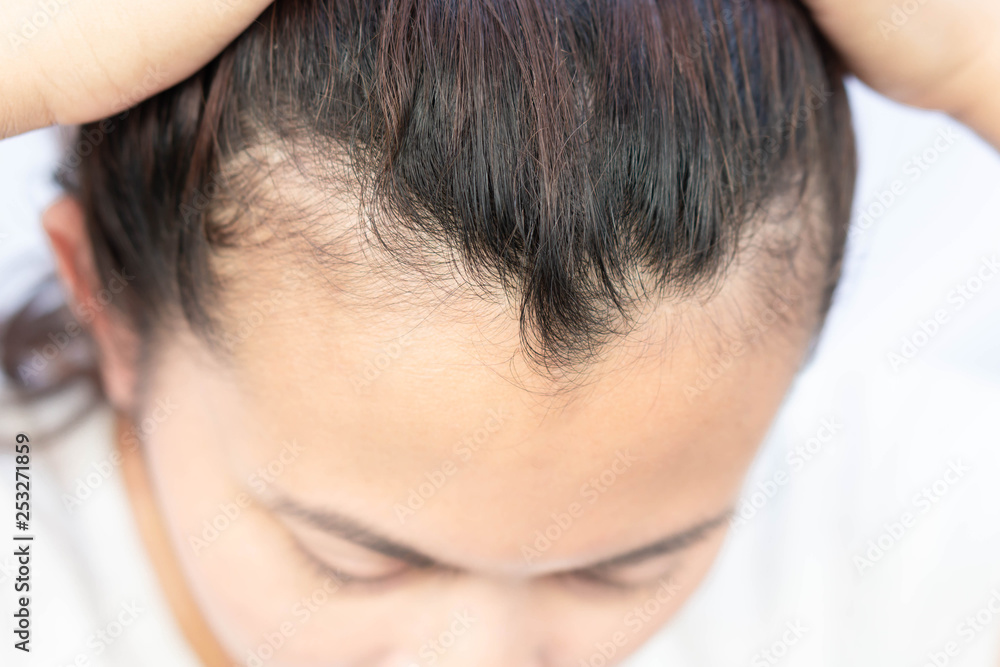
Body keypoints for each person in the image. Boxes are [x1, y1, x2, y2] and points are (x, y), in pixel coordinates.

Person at [0, 1, 998, 666]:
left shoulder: (885, 524)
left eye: (618, 568)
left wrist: (976, 63)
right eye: (353, 558)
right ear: (109, 310)